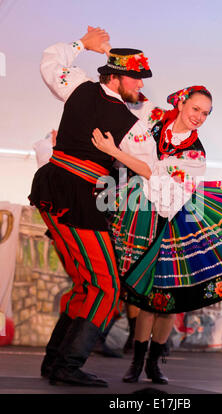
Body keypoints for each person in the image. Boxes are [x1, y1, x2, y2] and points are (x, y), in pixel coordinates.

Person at [91, 84, 222, 384]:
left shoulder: (195, 155)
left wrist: (113, 151)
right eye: (196, 109)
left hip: (177, 219)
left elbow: (154, 174)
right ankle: (136, 362)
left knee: (168, 299)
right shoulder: (155, 121)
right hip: (141, 215)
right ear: (183, 104)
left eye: (205, 113)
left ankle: (155, 362)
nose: (199, 117)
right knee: (145, 295)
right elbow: (133, 116)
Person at [28, 27, 153, 387]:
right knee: (106, 287)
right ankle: (67, 365)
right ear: (114, 76)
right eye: (135, 77)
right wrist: (84, 43)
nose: (139, 84)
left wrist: (81, 46)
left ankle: (55, 362)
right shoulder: (131, 126)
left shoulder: (79, 87)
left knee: (87, 282)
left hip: (56, 188)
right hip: (79, 199)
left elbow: (52, 61)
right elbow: (149, 171)